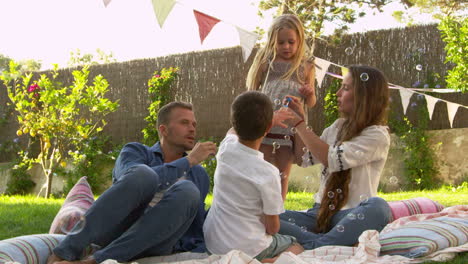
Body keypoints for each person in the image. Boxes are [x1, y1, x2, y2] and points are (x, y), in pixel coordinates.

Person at [47, 102, 217, 264]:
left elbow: (194, 222)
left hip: (155, 243)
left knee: (188, 191)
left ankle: (95, 261)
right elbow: (136, 181)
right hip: (117, 232)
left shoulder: (198, 174)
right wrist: (188, 161)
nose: (192, 129)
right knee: (144, 174)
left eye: (194, 124)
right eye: (184, 123)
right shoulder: (134, 152)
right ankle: (63, 252)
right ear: (163, 130)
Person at [278, 65, 392, 249]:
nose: (338, 93)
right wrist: (300, 120)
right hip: (319, 214)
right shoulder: (337, 127)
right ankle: (324, 243)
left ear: (364, 96)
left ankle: (313, 243)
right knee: (262, 217)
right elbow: (304, 158)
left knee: (379, 208)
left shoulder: (377, 135)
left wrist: (300, 125)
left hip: (350, 215)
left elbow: (331, 159)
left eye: (345, 88)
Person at [203, 91, 303, 263]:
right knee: (296, 245)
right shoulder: (268, 172)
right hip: (251, 248)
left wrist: (270, 118)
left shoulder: (226, 148)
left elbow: (232, 130)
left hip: (213, 244)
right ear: (268, 128)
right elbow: (272, 228)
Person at [246, 14, 317, 200]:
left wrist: (309, 94)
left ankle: (278, 213)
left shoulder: (306, 66)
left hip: (289, 129)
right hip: (266, 126)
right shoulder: (266, 62)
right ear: (272, 41)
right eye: (281, 42)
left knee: (282, 174)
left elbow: (311, 103)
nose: (286, 46)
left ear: (300, 40)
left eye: (291, 42)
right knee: (261, 169)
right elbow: (252, 91)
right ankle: (258, 208)